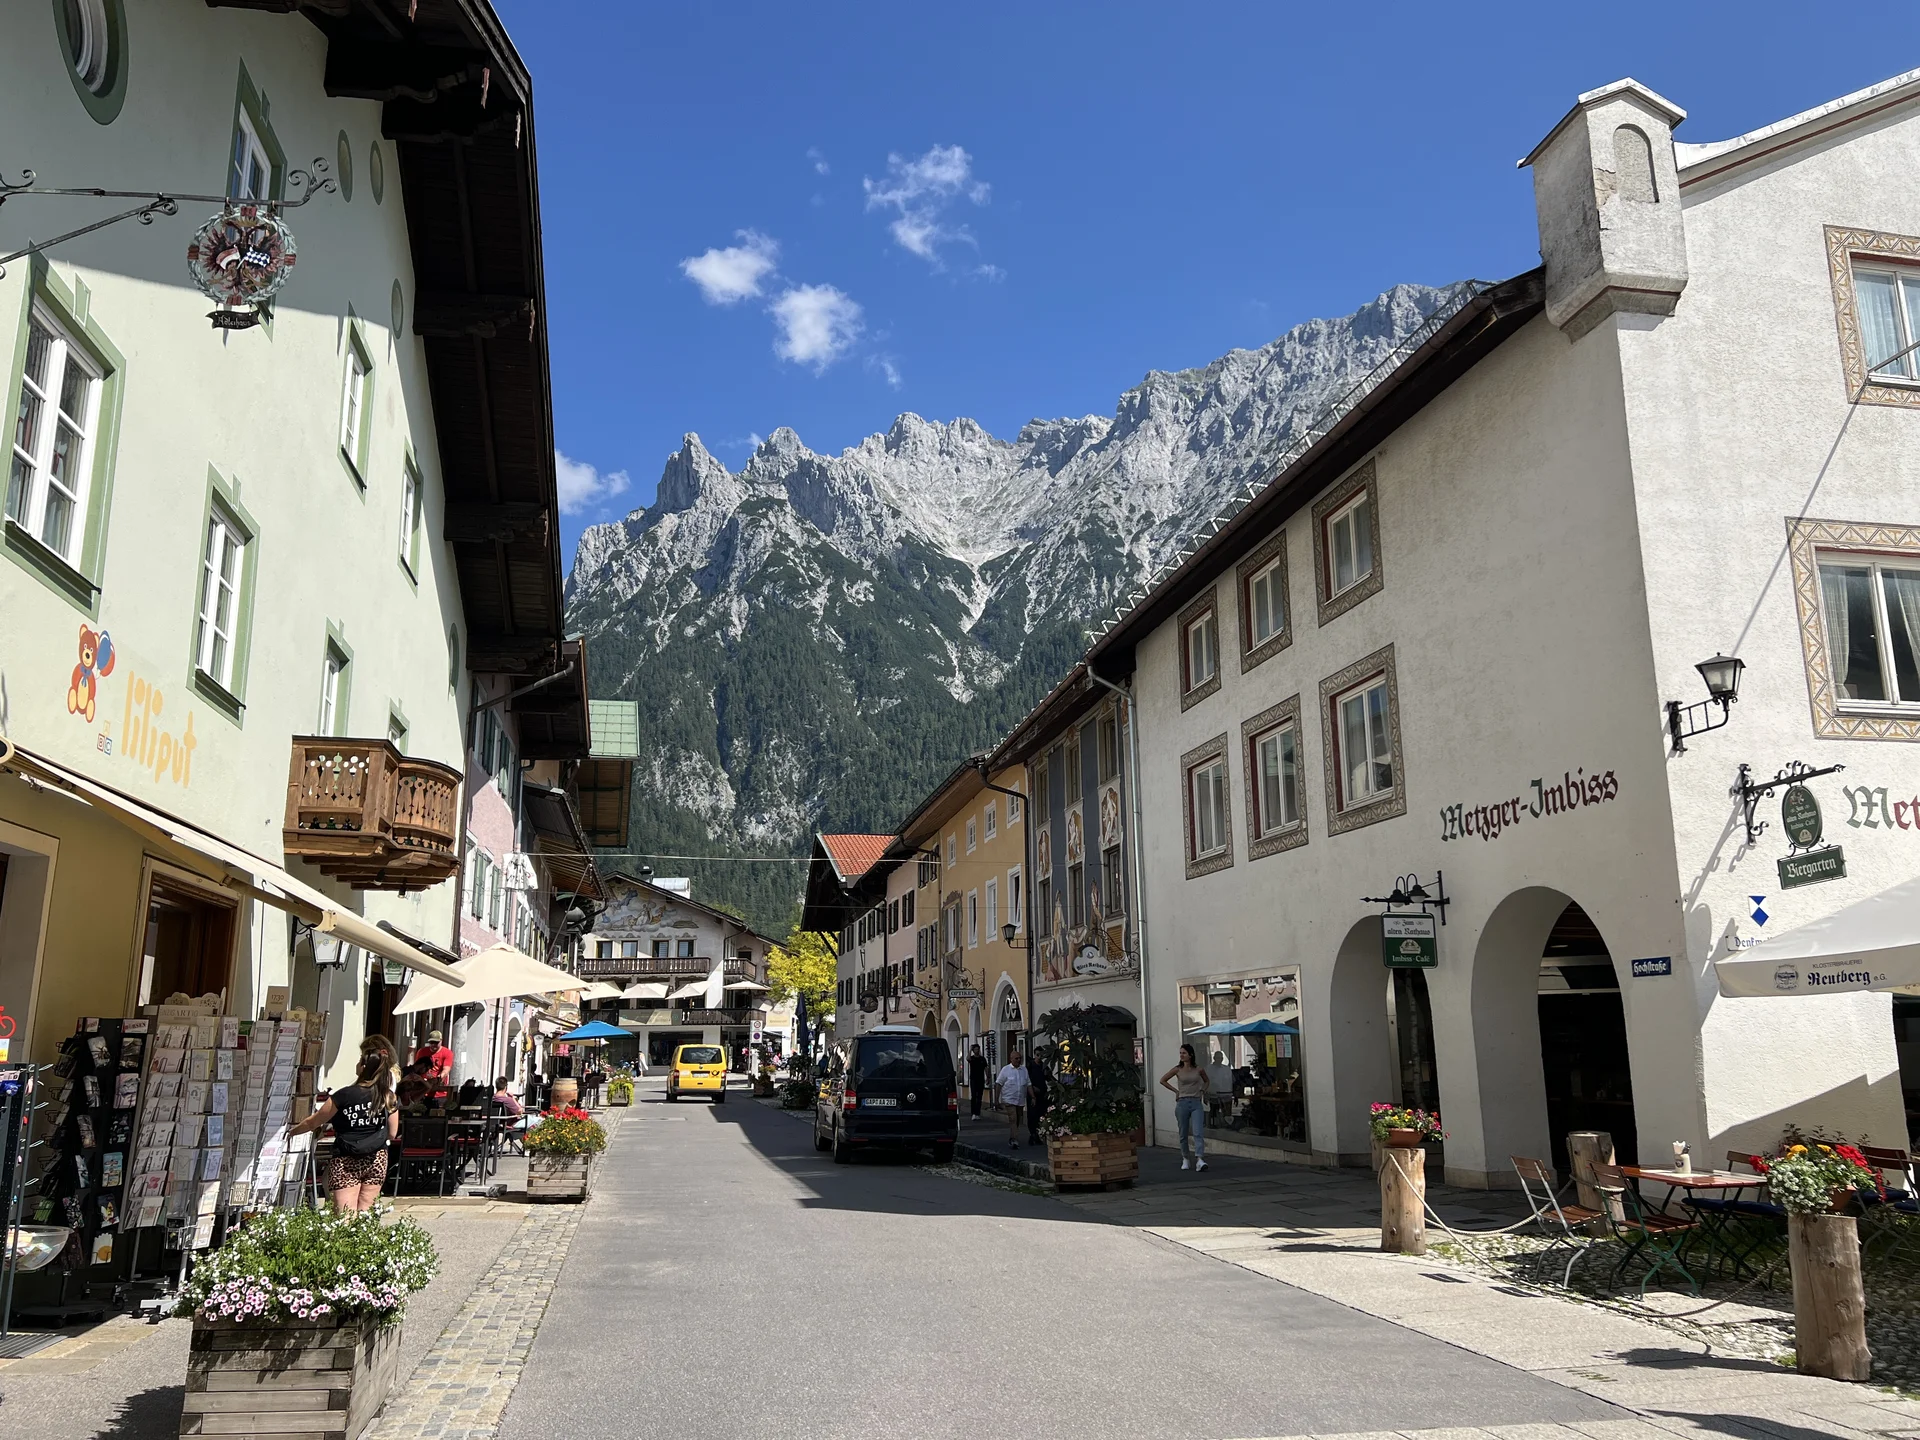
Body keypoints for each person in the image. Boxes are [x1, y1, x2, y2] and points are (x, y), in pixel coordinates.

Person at [289, 1051, 399, 1211]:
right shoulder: (387, 1096)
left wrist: (291, 1132)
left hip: (346, 1158)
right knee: (366, 1212)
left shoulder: (344, 1095)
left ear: (363, 1067)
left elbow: (314, 1121)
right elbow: (392, 1133)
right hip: (376, 1157)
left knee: (344, 1214)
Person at [1160, 1043, 1210, 1172]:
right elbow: (1163, 1080)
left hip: (1196, 1103)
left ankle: (1199, 1159)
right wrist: (1176, 1091)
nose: (1181, 1055)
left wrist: (1203, 1091)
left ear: (1190, 1055)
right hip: (1182, 1102)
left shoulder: (1198, 1069)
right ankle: (1185, 1158)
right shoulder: (1177, 1069)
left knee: (1198, 1132)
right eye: (1180, 1053)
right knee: (1183, 1133)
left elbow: (1206, 1081)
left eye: (1184, 1053)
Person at [995, 1049, 1029, 1150]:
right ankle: (1014, 1139)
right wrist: (996, 1099)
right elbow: (998, 1084)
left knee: (1018, 1119)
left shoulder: (1024, 1070)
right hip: (1009, 1099)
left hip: (1020, 1099)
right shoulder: (1005, 1070)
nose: (1018, 1060)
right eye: (1016, 1058)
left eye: (1020, 1058)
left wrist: (1033, 1097)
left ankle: (1012, 1136)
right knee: (1013, 1118)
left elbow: (1028, 1084)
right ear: (1011, 1059)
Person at [1025, 1048, 1052, 1146]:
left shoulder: (1044, 1066)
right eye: (1037, 1055)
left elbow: (1049, 1078)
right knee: (1032, 1114)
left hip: (1042, 1092)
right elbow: (1026, 1079)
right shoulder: (1030, 1066)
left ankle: (1038, 1134)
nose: (1039, 1057)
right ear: (1034, 1055)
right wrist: (1032, 1088)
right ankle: (1033, 1134)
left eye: (1041, 1055)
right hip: (1032, 1093)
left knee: (1041, 1113)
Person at [967, 1045, 987, 1121]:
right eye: (975, 1049)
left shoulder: (982, 1059)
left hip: (981, 1079)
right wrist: (970, 1050)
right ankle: (973, 1113)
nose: (977, 1051)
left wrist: (988, 1077)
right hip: (973, 1079)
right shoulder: (972, 1058)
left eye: (978, 1049)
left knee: (979, 1097)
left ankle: (977, 1113)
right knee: (974, 1096)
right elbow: (967, 1059)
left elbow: (986, 1068)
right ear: (973, 1050)